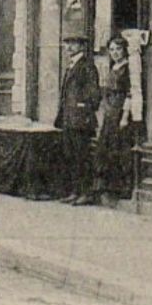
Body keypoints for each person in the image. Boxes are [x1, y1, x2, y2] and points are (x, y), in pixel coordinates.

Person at [81, 34, 135, 204]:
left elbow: (129, 94)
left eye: (118, 49)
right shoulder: (114, 68)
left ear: (125, 50)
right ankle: (106, 188)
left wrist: (125, 116)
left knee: (120, 149)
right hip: (110, 112)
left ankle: (122, 188)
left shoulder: (127, 70)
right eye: (112, 50)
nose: (115, 53)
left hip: (120, 111)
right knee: (105, 149)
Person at [55, 35, 101, 204]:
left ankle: (86, 193)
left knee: (82, 157)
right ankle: (75, 191)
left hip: (81, 120)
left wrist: (83, 106)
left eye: (73, 44)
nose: (69, 47)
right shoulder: (71, 66)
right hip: (69, 119)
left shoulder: (87, 66)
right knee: (72, 156)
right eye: (67, 44)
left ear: (81, 46)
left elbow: (95, 94)